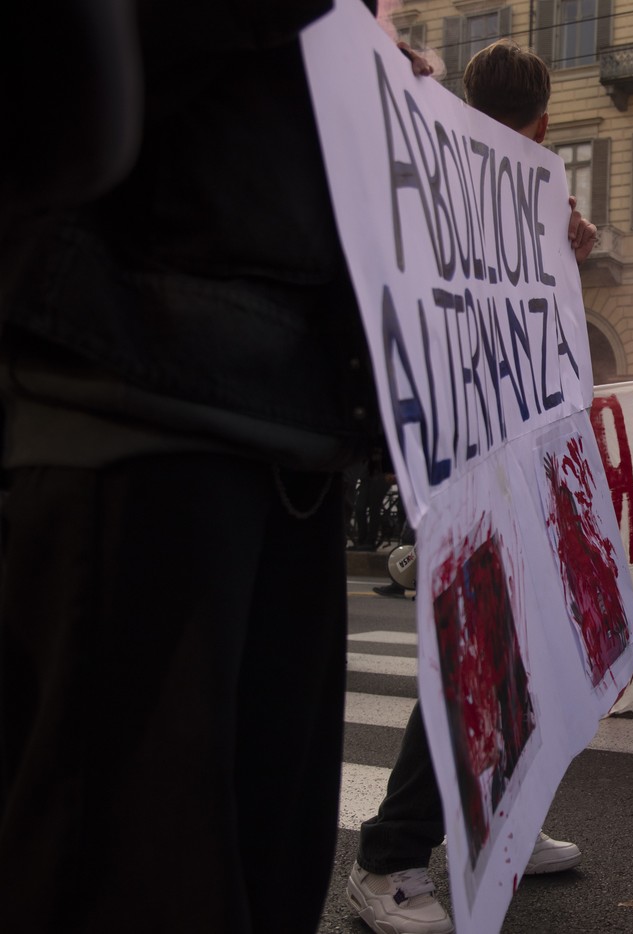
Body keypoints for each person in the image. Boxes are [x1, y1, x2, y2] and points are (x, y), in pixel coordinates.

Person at [0, 2, 395, 931]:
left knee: (265, 869)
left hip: (292, 408)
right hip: (137, 381)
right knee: (131, 870)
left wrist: (366, 83)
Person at [346, 38, 596, 934]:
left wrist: (566, 249)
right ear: (546, 121)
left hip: (498, 456)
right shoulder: (467, 178)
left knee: (521, 654)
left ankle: (504, 822)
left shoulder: (491, 188)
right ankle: (390, 858)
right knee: (475, 655)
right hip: (468, 463)